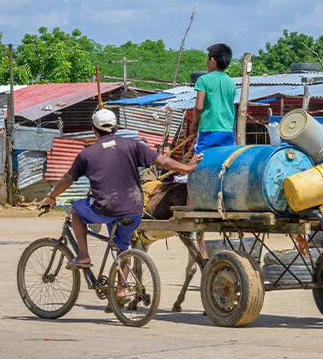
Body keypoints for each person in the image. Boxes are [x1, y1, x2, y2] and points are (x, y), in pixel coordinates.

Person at [41, 109, 202, 269]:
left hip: (106, 209)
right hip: (135, 209)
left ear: (93, 130)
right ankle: (121, 288)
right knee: (122, 249)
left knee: (76, 210)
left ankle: (83, 256)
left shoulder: (87, 155)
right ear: (116, 127)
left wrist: (52, 196)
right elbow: (162, 161)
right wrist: (186, 168)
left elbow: (68, 178)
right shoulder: (133, 145)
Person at [184, 43, 236, 182]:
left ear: (212, 60)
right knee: (224, 166)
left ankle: (191, 202)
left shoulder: (203, 80)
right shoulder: (231, 83)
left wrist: (194, 124)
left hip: (208, 130)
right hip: (227, 131)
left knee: (197, 165)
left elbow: (199, 107)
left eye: (207, 59)